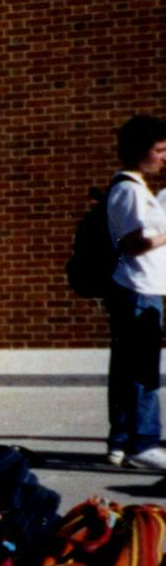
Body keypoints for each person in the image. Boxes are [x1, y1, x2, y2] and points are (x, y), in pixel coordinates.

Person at [104, 114, 166, 470]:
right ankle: (143, 443)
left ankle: (122, 442)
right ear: (140, 151)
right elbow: (135, 243)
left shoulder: (136, 188)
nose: (163, 157)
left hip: (139, 288)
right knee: (142, 369)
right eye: (158, 150)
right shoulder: (128, 189)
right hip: (137, 288)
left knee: (129, 369)